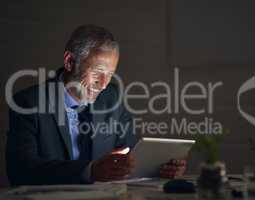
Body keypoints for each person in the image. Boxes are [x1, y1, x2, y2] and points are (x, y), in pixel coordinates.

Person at [6, 24, 186, 185]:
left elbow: (132, 158)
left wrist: (160, 169)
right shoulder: (28, 103)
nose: (104, 83)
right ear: (69, 61)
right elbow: (21, 171)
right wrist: (90, 171)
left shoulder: (112, 97)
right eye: (98, 72)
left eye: (110, 73)